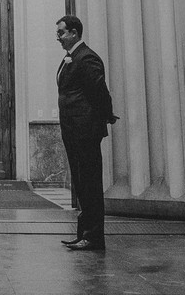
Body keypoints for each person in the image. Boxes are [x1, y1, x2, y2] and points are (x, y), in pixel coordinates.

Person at [55, 14, 117, 251]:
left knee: (90, 183)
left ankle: (93, 237)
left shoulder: (87, 57)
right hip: (73, 130)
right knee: (81, 183)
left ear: (74, 32)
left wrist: (106, 116)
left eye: (61, 32)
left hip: (85, 131)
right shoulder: (71, 58)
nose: (58, 37)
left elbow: (99, 92)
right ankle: (84, 233)